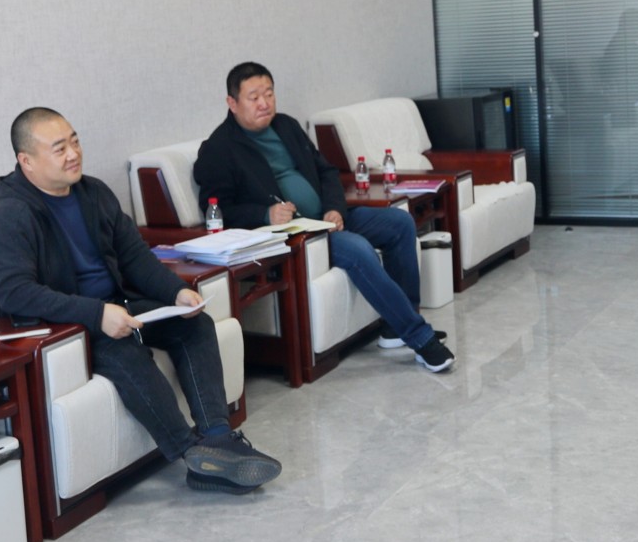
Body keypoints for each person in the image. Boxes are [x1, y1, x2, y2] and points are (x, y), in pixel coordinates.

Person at [0, 107, 282, 494]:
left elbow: (135, 257)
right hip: (73, 324)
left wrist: (175, 292)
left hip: (118, 304)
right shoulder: (12, 213)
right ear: (26, 161)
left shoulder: (93, 193)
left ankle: (217, 437)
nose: (74, 154)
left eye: (75, 141)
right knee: (125, 351)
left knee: (195, 324)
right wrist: (96, 314)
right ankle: (191, 453)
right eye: (59, 149)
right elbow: (12, 291)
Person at [194, 62, 455, 374]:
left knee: (399, 223)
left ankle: (397, 327)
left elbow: (327, 172)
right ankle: (420, 338)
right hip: (298, 236)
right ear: (232, 103)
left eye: (269, 94)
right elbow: (216, 209)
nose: (264, 103)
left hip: (329, 219)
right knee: (357, 248)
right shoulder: (219, 149)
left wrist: (335, 209)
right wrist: (264, 214)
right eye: (254, 97)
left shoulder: (287, 126)